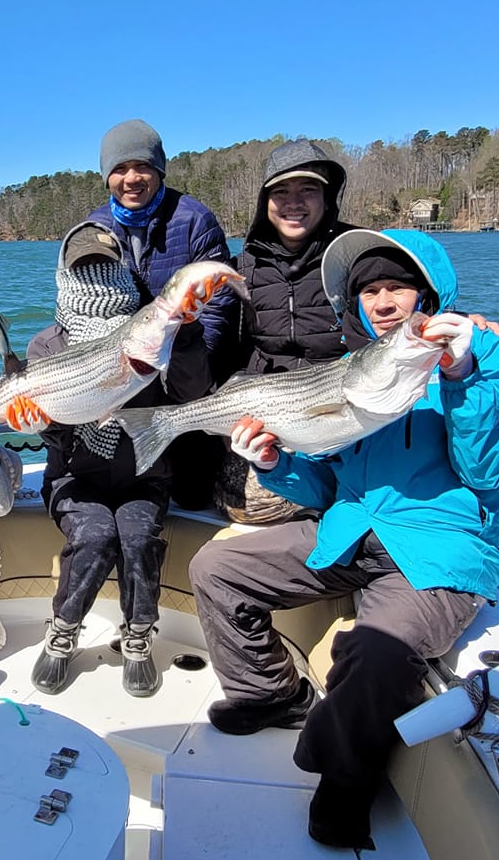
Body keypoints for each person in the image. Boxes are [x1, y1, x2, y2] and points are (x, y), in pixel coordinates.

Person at [189, 228, 499, 849]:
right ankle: (269, 695)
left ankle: (344, 784)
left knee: (376, 653)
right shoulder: (350, 370)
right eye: (369, 291)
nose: (382, 301)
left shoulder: (484, 359)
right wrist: (271, 460)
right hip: (348, 532)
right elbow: (319, 486)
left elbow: (491, 470)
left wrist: (461, 375)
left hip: (435, 551)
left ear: (427, 293)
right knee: (217, 568)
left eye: (396, 286)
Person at [27, 221, 214, 695]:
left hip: (145, 474)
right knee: (94, 534)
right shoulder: (47, 343)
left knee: (135, 535)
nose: (94, 277)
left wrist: (186, 335)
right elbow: (50, 432)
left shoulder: (152, 327)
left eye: (104, 266)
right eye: (83, 268)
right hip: (74, 477)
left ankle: (138, 635)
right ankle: (63, 631)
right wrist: (38, 420)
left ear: (122, 269)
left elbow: (191, 392)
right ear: (65, 274)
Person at [88, 117, 237, 507]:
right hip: (128, 377)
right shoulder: (94, 229)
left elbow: (219, 310)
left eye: (143, 167)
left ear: (160, 170)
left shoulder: (193, 219)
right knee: (122, 491)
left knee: (191, 498)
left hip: (189, 372)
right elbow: (85, 312)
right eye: (119, 168)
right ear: (106, 177)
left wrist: (186, 365)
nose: (132, 178)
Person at [213, 138, 353, 522]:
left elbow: (409, 305)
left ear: (327, 198)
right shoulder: (242, 265)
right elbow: (224, 349)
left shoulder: (356, 254)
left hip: (342, 412)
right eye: (281, 192)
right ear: (265, 201)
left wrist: (463, 320)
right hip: (269, 414)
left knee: (339, 505)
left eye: (307, 190)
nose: (294, 202)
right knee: (245, 510)